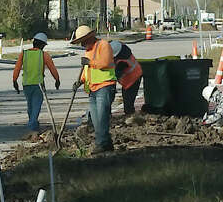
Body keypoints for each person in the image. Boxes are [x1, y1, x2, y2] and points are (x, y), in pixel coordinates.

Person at [69, 24, 116, 153]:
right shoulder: (88, 52)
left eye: (83, 42)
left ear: (90, 38)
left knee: (102, 119)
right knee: (96, 121)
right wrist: (80, 81)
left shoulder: (103, 45)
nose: (82, 45)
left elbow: (105, 63)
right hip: (93, 90)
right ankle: (107, 144)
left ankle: (100, 144)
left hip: (105, 86)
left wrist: (89, 63)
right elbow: (87, 71)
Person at [12, 32, 60, 134]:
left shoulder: (23, 54)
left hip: (26, 85)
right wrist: (57, 80)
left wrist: (14, 81)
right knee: (36, 105)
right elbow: (52, 69)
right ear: (42, 45)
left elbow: (17, 68)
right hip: (38, 85)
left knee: (30, 106)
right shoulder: (43, 55)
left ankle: (34, 124)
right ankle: (32, 126)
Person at [110, 40, 143, 115]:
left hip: (132, 80)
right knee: (127, 100)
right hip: (134, 76)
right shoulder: (123, 49)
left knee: (128, 102)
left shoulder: (122, 62)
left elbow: (115, 75)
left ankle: (131, 117)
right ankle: (129, 114)